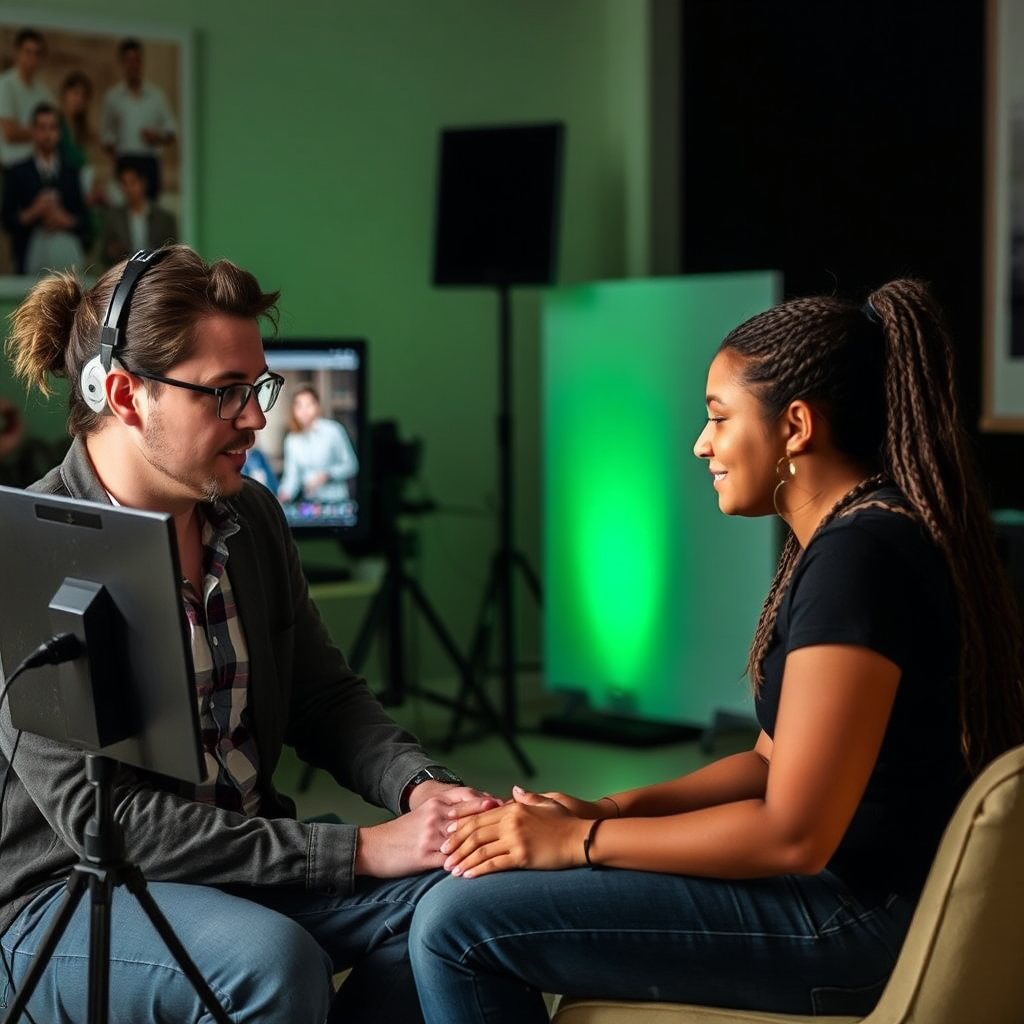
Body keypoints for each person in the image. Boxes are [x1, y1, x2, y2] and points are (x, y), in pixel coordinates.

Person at [408, 279, 1024, 1022]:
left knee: (456, 926)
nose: (703, 443)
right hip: (841, 898)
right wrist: (607, 806)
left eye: (719, 418)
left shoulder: (859, 558)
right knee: (470, 896)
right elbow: (769, 762)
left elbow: (792, 834)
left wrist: (583, 840)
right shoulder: (854, 537)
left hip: (854, 925)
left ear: (795, 425)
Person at [0, 244, 498, 1024]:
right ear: (125, 394)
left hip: (240, 866)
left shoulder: (252, 518)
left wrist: (419, 787)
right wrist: (364, 850)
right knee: (271, 963)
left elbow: (324, 697)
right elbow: (109, 822)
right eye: (226, 393)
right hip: (71, 896)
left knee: (466, 912)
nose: (257, 418)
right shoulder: (23, 552)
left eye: (257, 387)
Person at [0, 102, 92, 275]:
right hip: (29, 257)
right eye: (42, 127)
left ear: (59, 133)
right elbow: (7, 220)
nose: (47, 134)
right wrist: (34, 212)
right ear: (33, 131)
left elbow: (84, 222)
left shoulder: (71, 173)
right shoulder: (17, 172)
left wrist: (64, 219)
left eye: (52, 127)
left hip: (67, 256)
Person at [100, 38, 177, 201]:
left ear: (142, 62)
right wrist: (113, 149)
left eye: (137, 60)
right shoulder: (113, 98)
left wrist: (157, 138)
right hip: (124, 160)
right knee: (124, 214)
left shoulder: (156, 96)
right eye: (128, 60)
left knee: (151, 211)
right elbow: (105, 135)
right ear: (121, 63)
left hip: (149, 160)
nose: (133, 65)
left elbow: (172, 132)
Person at [277, 385, 359, 503]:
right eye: (299, 406)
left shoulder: (333, 430)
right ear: (293, 410)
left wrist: (327, 475)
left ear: (317, 406)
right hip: (310, 503)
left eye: (308, 405)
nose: (304, 411)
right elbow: (291, 479)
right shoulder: (292, 440)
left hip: (336, 502)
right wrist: (281, 497)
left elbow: (352, 465)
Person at [98, 157, 178, 266]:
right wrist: (112, 251)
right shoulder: (114, 217)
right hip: (123, 275)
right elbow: (103, 255)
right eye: (124, 183)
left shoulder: (165, 219)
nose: (128, 188)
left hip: (155, 276)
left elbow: (174, 257)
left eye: (133, 182)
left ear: (143, 183)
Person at [0, 28, 56, 173]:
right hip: (11, 165)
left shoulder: (44, 91)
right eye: (28, 52)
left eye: (37, 54)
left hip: (39, 168)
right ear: (17, 53)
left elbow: (55, 127)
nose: (32, 59)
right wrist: (42, 132)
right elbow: (10, 132)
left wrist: (39, 132)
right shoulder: (5, 85)